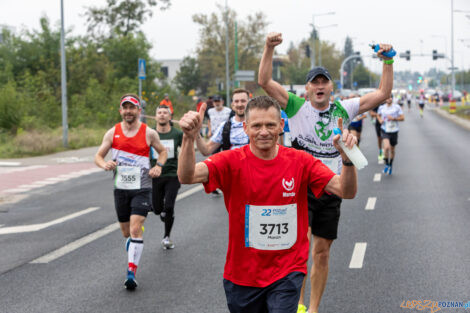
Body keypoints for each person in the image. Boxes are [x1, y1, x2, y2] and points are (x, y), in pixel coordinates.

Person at [177, 96, 358, 313]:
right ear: (245, 128)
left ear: (281, 126)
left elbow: (346, 191)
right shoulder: (230, 161)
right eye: (257, 126)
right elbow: (187, 176)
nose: (264, 131)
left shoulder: (301, 161)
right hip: (242, 275)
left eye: (270, 125)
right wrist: (189, 138)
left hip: (287, 271)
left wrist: (347, 159)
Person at [258, 32, 393, 313]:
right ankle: (297, 305)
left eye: (324, 82)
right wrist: (269, 48)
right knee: (300, 249)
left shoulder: (345, 107)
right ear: (307, 89)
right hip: (299, 186)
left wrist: (388, 61)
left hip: (331, 186)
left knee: (321, 252)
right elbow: (265, 82)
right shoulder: (296, 106)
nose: (319, 87)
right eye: (314, 83)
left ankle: (314, 308)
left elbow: (382, 94)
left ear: (332, 87)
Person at [94, 93, 168, 290]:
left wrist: (159, 166)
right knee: (127, 232)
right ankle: (135, 238)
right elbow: (98, 156)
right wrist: (105, 164)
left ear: (139, 111)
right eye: (125, 108)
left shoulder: (148, 133)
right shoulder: (112, 133)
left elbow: (163, 151)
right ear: (121, 111)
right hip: (121, 189)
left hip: (142, 188)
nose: (128, 111)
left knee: (135, 229)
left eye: (132, 107)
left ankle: (131, 273)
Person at [150, 105, 183, 249]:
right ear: (156, 116)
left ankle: (166, 237)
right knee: (157, 209)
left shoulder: (177, 134)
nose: (162, 115)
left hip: (172, 175)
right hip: (154, 176)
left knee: (169, 206)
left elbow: (187, 150)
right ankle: (162, 212)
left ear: (170, 117)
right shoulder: (150, 133)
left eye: (165, 113)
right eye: (159, 113)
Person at [195, 88, 250, 156]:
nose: (239, 104)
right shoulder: (225, 126)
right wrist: (196, 132)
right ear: (232, 104)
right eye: (236, 101)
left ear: (249, 102)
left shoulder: (258, 124)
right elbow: (206, 150)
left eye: (243, 101)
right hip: (232, 165)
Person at [376, 96, 405, 175]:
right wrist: (380, 120)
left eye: (390, 98)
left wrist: (394, 119)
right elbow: (378, 115)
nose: (389, 99)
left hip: (394, 130)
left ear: (392, 99)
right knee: (386, 147)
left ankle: (390, 165)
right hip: (384, 129)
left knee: (392, 150)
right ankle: (386, 164)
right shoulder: (381, 108)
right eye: (387, 98)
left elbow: (403, 118)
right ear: (385, 99)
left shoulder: (397, 107)